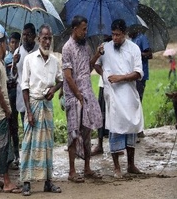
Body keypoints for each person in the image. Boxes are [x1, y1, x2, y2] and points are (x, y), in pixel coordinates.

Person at [95, 19, 144, 179]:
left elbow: (138, 73)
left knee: (131, 127)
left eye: (118, 35)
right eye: (113, 34)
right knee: (115, 128)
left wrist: (120, 78)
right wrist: (104, 73)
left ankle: (131, 164)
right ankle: (117, 167)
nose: (115, 38)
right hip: (113, 96)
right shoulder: (105, 48)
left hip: (129, 94)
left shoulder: (134, 49)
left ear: (124, 34)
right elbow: (95, 63)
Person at [20, 24, 63, 196]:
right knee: (29, 144)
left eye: (49, 38)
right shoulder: (29, 59)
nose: (47, 41)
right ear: (38, 39)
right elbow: (24, 87)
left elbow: (60, 80)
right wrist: (29, 112)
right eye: (44, 38)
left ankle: (48, 181)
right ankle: (26, 182)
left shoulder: (54, 61)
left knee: (47, 145)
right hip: (34, 105)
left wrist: (54, 90)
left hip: (47, 107)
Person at [62, 15, 103, 183]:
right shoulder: (67, 48)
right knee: (73, 132)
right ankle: (72, 171)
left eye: (86, 29)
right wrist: (78, 95)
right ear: (75, 29)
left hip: (86, 94)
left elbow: (88, 66)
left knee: (86, 131)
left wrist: (97, 54)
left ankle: (87, 167)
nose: (85, 32)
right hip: (74, 97)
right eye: (83, 29)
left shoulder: (85, 45)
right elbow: (68, 76)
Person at [0, 31, 21, 194]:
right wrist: (8, 110)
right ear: (2, 44)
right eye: (6, 42)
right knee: (3, 147)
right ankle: (7, 181)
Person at [13, 23, 39, 126]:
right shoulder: (18, 52)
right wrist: (14, 63)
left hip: (36, 94)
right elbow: (14, 75)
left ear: (34, 36)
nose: (25, 37)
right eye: (23, 34)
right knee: (26, 124)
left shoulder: (39, 51)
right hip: (22, 95)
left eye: (28, 35)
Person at [129, 30, 152, 139]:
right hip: (133, 75)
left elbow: (149, 54)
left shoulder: (141, 37)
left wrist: (138, 53)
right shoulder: (132, 40)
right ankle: (135, 129)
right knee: (133, 101)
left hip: (141, 75)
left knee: (137, 101)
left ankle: (139, 130)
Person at [4, 32, 21, 169]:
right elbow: (8, 76)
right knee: (12, 126)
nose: (14, 45)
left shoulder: (22, 56)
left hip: (20, 92)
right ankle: (14, 154)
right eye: (12, 42)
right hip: (10, 93)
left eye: (16, 42)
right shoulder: (6, 59)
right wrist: (13, 64)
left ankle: (20, 154)